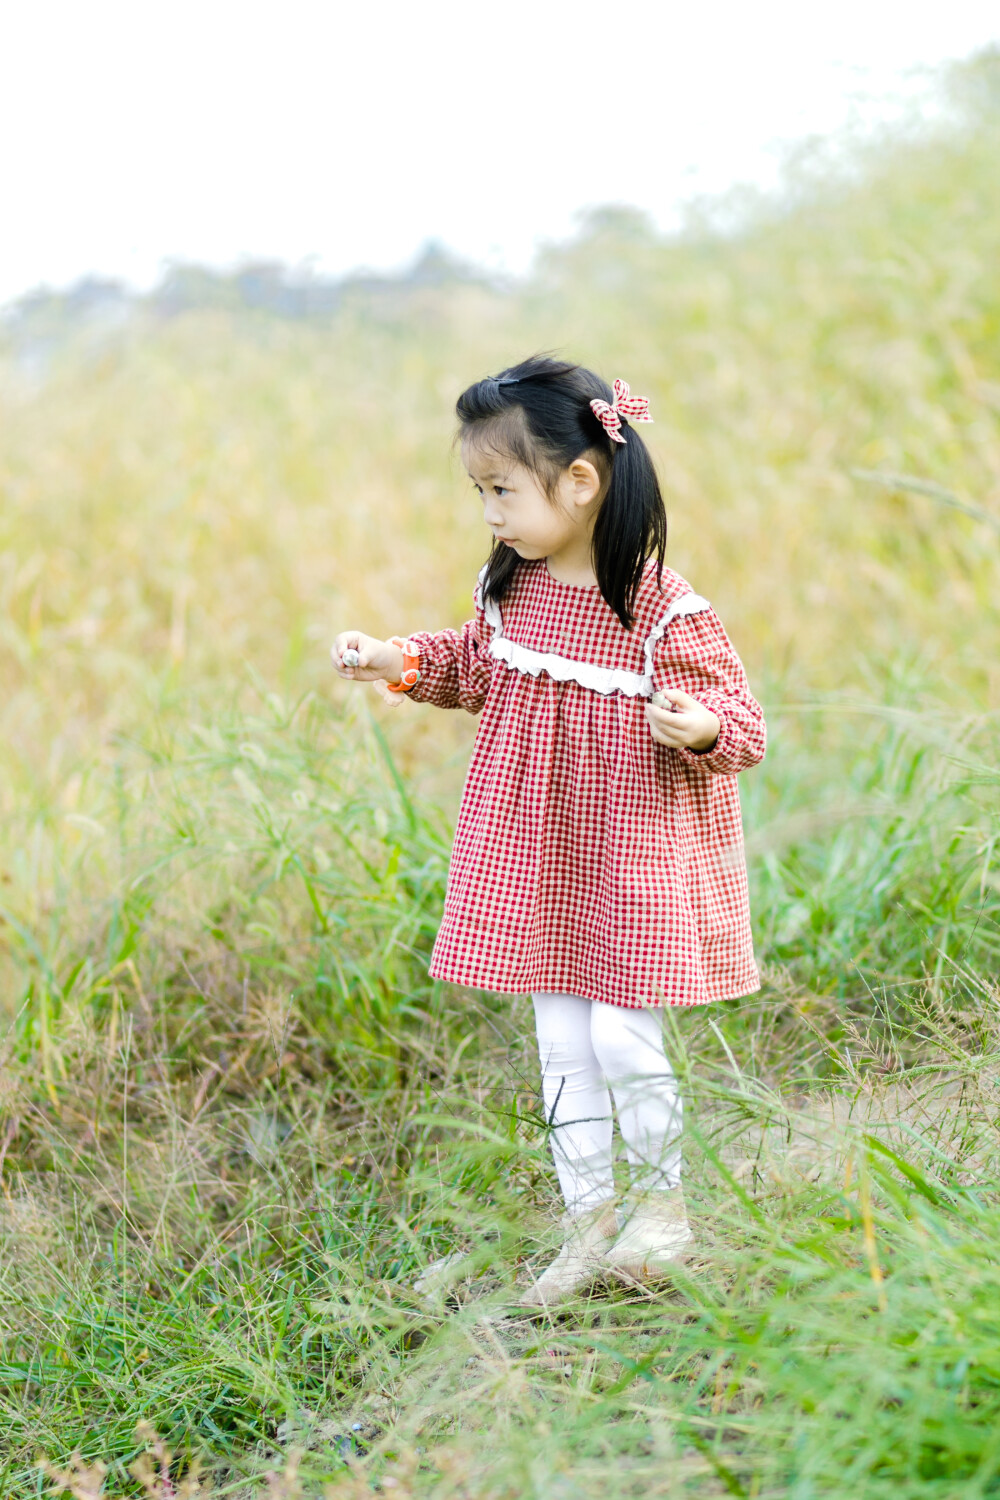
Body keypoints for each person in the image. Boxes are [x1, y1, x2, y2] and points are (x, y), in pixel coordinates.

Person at [331, 356, 766, 1309]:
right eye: (479, 491)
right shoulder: (512, 590)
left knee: (622, 1037)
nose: (488, 512)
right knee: (561, 1040)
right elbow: (471, 668)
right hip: (538, 851)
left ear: (579, 481)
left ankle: (662, 1216)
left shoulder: (659, 608)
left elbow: (743, 723)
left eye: (500, 490)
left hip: (633, 852)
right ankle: (586, 1222)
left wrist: (697, 727)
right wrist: (392, 657)